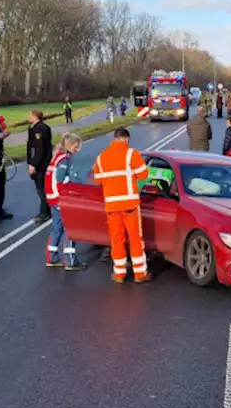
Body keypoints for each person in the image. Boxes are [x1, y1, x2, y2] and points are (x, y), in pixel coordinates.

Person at [93, 128, 151, 284]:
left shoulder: (101, 157)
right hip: (130, 205)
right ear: (126, 139)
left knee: (117, 239)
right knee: (135, 239)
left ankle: (119, 274)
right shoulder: (131, 154)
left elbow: (98, 180)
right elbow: (143, 175)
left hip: (112, 206)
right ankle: (140, 273)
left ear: (114, 138)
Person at [46, 133, 85, 270]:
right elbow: (62, 179)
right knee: (70, 228)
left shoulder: (56, 157)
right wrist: (78, 186)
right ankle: (70, 260)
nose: (78, 149)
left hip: (52, 198)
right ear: (70, 145)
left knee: (57, 228)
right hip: (60, 199)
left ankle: (51, 257)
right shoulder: (64, 159)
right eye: (76, 146)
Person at [26, 110, 54, 222]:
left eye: (30, 115)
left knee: (41, 189)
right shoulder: (42, 127)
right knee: (43, 188)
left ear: (34, 116)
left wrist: (33, 164)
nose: (28, 117)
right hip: (43, 162)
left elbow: (38, 148)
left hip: (41, 164)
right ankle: (46, 210)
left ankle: (45, 213)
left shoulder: (39, 129)